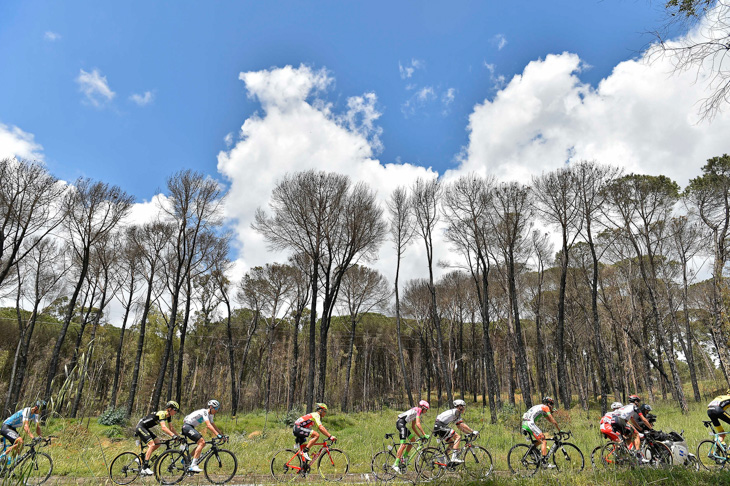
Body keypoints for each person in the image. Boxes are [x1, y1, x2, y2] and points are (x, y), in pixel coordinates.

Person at [135, 400, 180, 476]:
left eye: (177, 410)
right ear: (169, 409)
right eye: (175, 410)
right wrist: (173, 436)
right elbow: (163, 427)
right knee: (152, 444)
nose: (176, 412)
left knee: (157, 443)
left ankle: (142, 458)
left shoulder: (168, 417)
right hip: (140, 427)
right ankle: (145, 468)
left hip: (146, 428)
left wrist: (178, 437)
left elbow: (171, 428)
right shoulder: (162, 414)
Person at [182, 400, 225, 473]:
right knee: (202, 442)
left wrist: (221, 434)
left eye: (218, 409)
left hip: (190, 427)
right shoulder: (204, 412)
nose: (217, 410)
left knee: (202, 443)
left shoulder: (210, 415)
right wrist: (218, 435)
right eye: (216, 409)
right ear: (211, 407)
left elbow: (213, 425)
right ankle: (193, 466)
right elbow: (208, 425)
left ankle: (186, 459)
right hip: (187, 427)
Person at [433, 399, 477, 464]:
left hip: (439, 426)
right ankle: (454, 458)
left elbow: (459, 426)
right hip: (441, 426)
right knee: (458, 437)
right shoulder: (456, 412)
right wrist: (472, 431)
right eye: (463, 407)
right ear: (460, 407)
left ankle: (442, 458)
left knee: (452, 443)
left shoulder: (455, 412)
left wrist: (469, 433)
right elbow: (462, 424)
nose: (464, 408)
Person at [392, 400, 430, 473]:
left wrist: (421, 436)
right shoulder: (418, 410)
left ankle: (404, 457)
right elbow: (418, 424)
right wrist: (424, 434)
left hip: (403, 424)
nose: (426, 411)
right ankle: (395, 464)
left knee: (413, 440)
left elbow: (413, 426)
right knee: (403, 445)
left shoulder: (416, 412)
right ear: (423, 408)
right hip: (400, 423)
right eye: (426, 409)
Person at [521, 397, 561, 468]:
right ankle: (544, 463)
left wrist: (551, 412)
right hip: (529, 423)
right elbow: (553, 420)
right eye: (552, 404)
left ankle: (532, 451)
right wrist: (559, 430)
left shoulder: (542, 408)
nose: (552, 406)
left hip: (526, 423)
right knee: (543, 440)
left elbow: (550, 420)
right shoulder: (545, 407)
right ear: (548, 404)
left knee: (540, 440)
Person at [613, 395, 652, 461]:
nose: (639, 404)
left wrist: (640, 429)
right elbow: (644, 419)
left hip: (613, 421)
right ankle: (638, 455)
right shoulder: (635, 407)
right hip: (621, 420)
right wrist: (650, 428)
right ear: (636, 401)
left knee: (628, 437)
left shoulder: (626, 407)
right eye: (638, 402)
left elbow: (633, 421)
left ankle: (626, 455)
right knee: (636, 434)